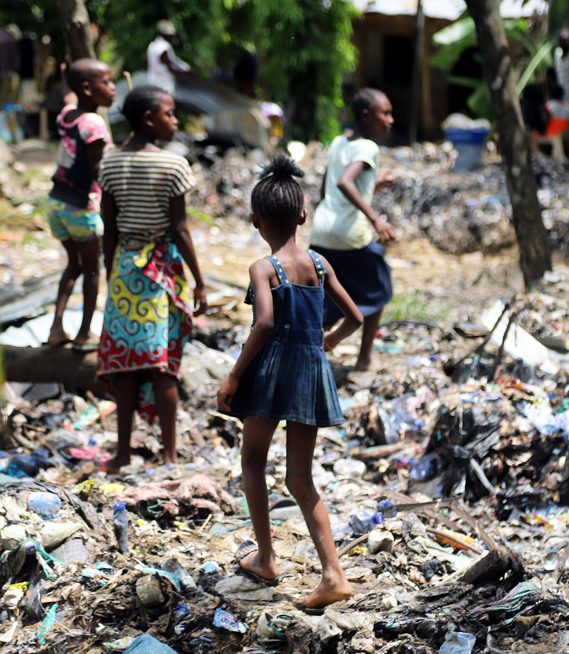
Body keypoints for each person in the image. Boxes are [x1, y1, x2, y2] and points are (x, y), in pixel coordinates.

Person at [217, 155, 363, 612]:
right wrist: (327, 341)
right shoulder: (319, 264)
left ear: (255, 220)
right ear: (304, 214)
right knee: (301, 477)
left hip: (270, 372)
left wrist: (235, 374)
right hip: (310, 372)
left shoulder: (263, 268)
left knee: (252, 461)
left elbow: (262, 325)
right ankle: (333, 573)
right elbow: (355, 316)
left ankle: (265, 556)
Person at [96, 85, 207, 473]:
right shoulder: (173, 165)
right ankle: (170, 454)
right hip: (160, 272)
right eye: (170, 114)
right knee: (162, 365)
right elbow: (180, 229)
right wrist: (200, 280)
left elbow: (107, 227)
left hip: (126, 270)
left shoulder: (109, 164)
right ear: (148, 119)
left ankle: (123, 453)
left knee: (125, 364)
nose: (175, 121)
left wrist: (110, 272)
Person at [309, 88, 396, 371]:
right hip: (349, 234)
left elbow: (327, 188)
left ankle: (313, 357)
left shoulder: (338, 142)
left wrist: (374, 186)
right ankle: (363, 358)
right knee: (379, 288)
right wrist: (375, 219)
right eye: (385, 113)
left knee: (330, 293)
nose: (390, 120)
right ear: (367, 116)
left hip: (322, 231)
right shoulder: (368, 147)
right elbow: (345, 182)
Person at [47, 59, 116, 347]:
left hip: (55, 204)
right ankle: (85, 332)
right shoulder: (94, 123)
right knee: (91, 270)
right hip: (80, 207)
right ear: (88, 89)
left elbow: (68, 96)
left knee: (73, 264)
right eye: (108, 82)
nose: (113, 88)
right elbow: (98, 170)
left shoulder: (67, 116)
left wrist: (66, 77)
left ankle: (56, 328)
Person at [146, 20, 192, 95]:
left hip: (153, 82)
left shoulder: (152, 45)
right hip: (164, 83)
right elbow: (169, 67)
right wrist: (184, 71)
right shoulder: (164, 47)